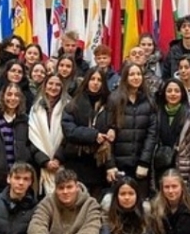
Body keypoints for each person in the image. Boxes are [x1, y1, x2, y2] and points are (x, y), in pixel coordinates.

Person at [104, 62, 159, 197]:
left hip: (140, 165)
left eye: (139, 74)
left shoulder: (149, 101)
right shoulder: (114, 99)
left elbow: (152, 135)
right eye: (132, 74)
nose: (136, 77)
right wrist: (110, 164)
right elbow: (108, 134)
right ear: (125, 77)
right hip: (119, 165)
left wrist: (144, 162)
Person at [59, 69, 113, 198]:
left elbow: (114, 126)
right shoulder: (73, 105)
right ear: (87, 81)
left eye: (99, 80)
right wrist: (94, 135)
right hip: (76, 162)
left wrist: (113, 130)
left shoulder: (109, 105)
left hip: (99, 165)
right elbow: (69, 131)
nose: (95, 83)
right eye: (92, 79)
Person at [155, 78, 190, 193]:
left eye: (177, 91)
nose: (173, 94)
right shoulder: (156, 115)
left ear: (182, 94)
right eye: (169, 91)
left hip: (184, 171)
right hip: (160, 169)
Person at [28, 74, 66, 195]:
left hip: (63, 164)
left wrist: (58, 158)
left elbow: (68, 137)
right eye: (50, 83)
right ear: (45, 86)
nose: (53, 87)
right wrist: (44, 161)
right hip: (41, 166)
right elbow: (32, 138)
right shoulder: (35, 109)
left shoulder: (68, 107)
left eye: (57, 85)